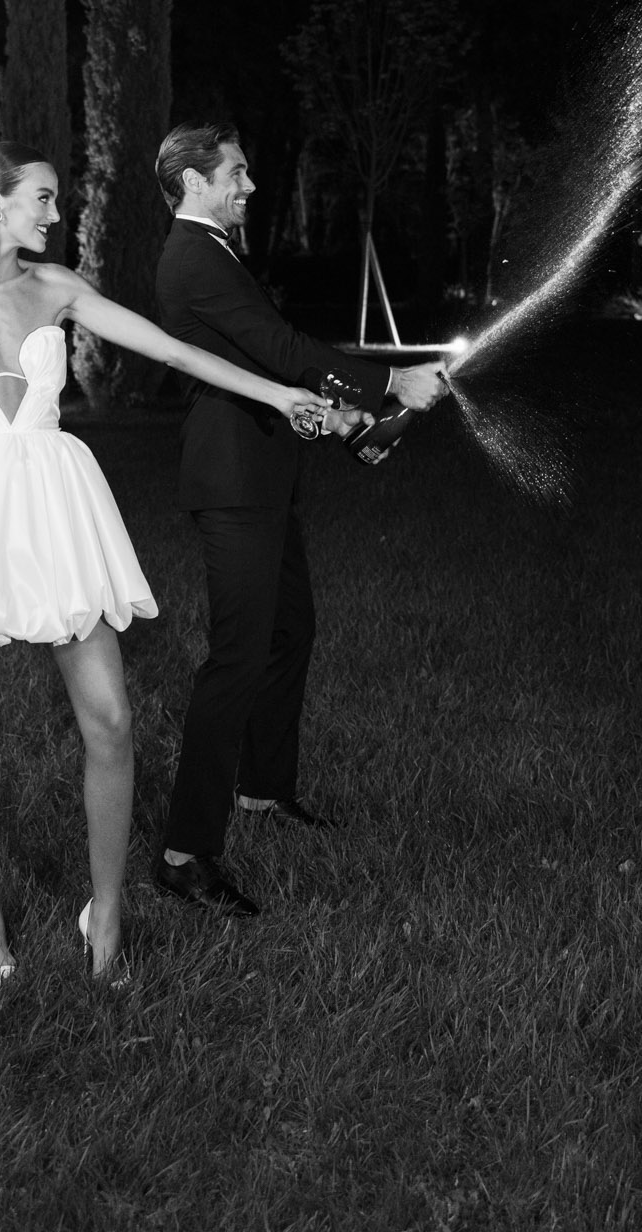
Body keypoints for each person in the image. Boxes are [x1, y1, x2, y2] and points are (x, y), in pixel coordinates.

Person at [0, 141, 326, 991]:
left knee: (110, 719)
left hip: (51, 507)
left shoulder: (58, 288)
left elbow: (174, 352)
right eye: (42, 198)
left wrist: (278, 393)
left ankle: (104, 912)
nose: (55, 213)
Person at [151, 123, 448, 916]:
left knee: (290, 630)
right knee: (237, 658)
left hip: (261, 471)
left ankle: (262, 789)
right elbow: (280, 346)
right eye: (237, 173)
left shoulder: (215, 252)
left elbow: (261, 363)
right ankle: (184, 853)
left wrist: (349, 425)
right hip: (232, 480)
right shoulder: (193, 256)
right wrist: (387, 385)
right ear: (193, 181)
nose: (250, 186)